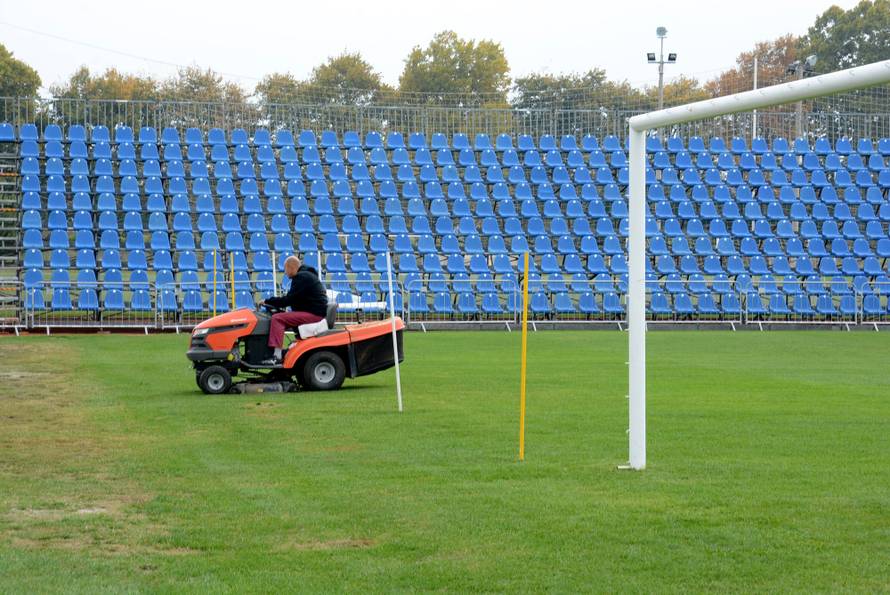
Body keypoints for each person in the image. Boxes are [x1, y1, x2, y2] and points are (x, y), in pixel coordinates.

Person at [261, 256, 328, 365]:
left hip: (314, 314)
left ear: (291, 267)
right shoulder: (307, 275)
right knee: (282, 317)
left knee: (277, 318)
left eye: (285, 270)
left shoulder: (301, 277)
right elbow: (294, 299)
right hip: (315, 312)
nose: (285, 273)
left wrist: (267, 301)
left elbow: (288, 300)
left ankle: (276, 356)